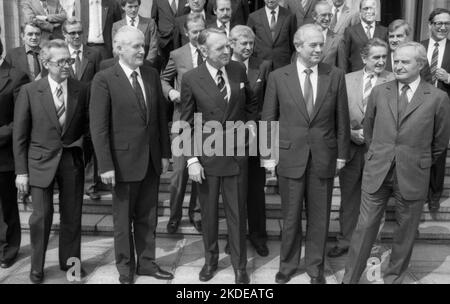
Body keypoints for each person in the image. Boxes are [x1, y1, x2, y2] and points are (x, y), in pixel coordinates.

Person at [342, 42, 450, 284]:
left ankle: (393, 279)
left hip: (413, 173)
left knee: (405, 233)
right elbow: (369, 130)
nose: (397, 66)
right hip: (378, 170)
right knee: (364, 228)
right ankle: (349, 279)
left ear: (421, 64)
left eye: (405, 61)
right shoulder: (380, 91)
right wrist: (379, 154)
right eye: (396, 61)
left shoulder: (438, 98)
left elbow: (440, 142)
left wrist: (417, 160)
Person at [261, 23, 349, 284]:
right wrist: (268, 156)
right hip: (289, 157)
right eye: (313, 45)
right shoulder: (279, 77)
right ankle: (287, 266)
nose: (319, 49)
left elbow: (341, 120)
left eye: (321, 44)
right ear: (298, 47)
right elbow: (269, 119)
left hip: (323, 157)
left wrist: (342, 155)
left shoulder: (334, 75)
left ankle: (315, 268)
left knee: (319, 218)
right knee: (289, 218)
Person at [90, 26, 172, 284]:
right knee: (123, 220)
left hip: (150, 160)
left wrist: (164, 153)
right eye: (136, 46)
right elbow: (99, 127)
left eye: (143, 45)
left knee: (148, 217)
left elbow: (159, 118)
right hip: (121, 163)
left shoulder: (150, 73)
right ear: (119, 48)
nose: (142, 50)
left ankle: (147, 263)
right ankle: (125, 267)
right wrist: (105, 165)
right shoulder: (104, 79)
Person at [180, 28, 258, 284]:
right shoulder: (191, 78)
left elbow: (249, 106)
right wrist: (191, 159)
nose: (227, 51)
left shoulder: (238, 70)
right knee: (209, 214)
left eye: (228, 46)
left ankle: (239, 266)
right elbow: (186, 122)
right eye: (220, 48)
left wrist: (250, 130)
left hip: (236, 156)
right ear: (203, 51)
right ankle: (211, 260)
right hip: (207, 158)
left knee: (237, 214)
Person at [13, 39, 89, 284]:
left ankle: (72, 266)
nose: (67, 65)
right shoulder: (30, 91)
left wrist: (82, 155)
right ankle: (37, 267)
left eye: (69, 60)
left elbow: (88, 128)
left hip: (71, 162)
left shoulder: (81, 89)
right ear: (45, 63)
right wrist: (21, 171)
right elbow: (20, 135)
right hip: (39, 163)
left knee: (72, 217)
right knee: (41, 218)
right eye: (61, 61)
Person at [327, 38, 394, 259]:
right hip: (351, 150)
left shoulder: (393, 80)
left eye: (384, 57)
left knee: (376, 200)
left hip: (379, 152)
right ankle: (345, 240)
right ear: (364, 58)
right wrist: (349, 133)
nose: (381, 61)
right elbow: (335, 114)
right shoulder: (346, 79)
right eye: (376, 57)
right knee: (349, 199)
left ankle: (371, 245)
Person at [227, 24, 272, 257]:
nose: (247, 47)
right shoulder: (224, 66)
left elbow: (268, 101)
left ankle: (258, 236)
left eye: (251, 43)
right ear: (231, 43)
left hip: (257, 135)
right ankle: (233, 238)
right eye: (243, 43)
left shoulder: (262, 66)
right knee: (233, 189)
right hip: (228, 137)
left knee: (256, 189)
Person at [161, 13, 205, 234]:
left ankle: (196, 213)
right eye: (194, 31)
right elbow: (163, 79)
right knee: (179, 171)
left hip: (205, 122)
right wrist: (171, 93)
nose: (198, 34)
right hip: (181, 120)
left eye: (201, 30)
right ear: (186, 33)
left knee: (200, 169)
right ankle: (174, 215)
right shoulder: (177, 54)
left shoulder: (212, 53)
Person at [0, 27, 29, 270]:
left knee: (6, 206)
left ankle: (8, 249)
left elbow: (21, 118)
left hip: (4, 153)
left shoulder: (16, 76)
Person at [421, 8, 450, 212]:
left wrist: (448, 78)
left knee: (439, 152)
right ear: (430, 25)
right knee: (419, 149)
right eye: (438, 23)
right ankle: (420, 192)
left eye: (447, 23)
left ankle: (434, 195)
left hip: (444, 108)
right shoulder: (418, 47)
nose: (443, 27)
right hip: (420, 108)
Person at [247, 0, 297, 70]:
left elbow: (293, 41)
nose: (270, 0)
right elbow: (249, 40)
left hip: (282, 63)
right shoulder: (254, 17)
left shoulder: (290, 16)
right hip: (260, 64)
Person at [342, 0, 387, 72]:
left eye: (372, 8)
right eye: (366, 8)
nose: (369, 11)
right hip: (356, 75)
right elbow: (344, 58)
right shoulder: (350, 31)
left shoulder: (384, 31)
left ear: (377, 11)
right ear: (360, 12)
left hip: (379, 76)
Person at [152, 0, 190, 68]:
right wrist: (158, 35)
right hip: (164, 40)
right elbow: (154, 19)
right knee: (167, 67)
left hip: (182, 38)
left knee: (182, 65)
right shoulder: (157, 1)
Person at [311, 0, 345, 68]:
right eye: (323, 15)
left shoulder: (338, 39)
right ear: (314, 16)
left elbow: (342, 68)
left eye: (330, 15)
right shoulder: (304, 34)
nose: (327, 18)